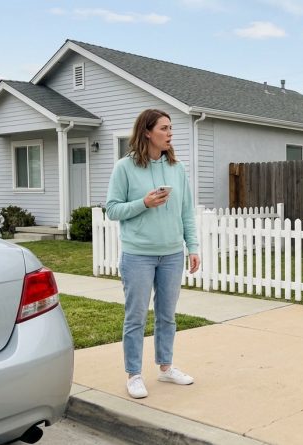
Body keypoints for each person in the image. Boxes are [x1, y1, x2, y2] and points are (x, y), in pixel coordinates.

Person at [106, 108, 201, 399]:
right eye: (164, 128)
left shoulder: (178, 168)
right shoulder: (125, 167)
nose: (170, 133)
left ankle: (166, 367)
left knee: (167, 315)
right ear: (147, 132)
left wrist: (192, 247)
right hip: (139, 255)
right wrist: (143, 203)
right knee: (135, 317)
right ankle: (134, 374)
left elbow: (186, 211)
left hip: (172, 254)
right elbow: (112, 209)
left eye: (171, 128)